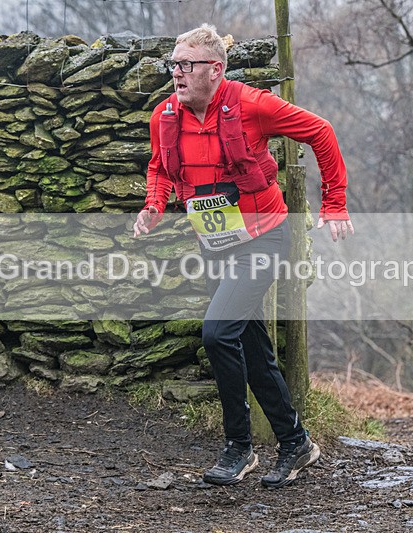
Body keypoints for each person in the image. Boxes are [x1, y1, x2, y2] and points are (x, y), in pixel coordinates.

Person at [133, 24, 353, 488]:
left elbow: (321, 131)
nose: (177, 72)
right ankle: (296, 444)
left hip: (263, 238)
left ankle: (239, 447)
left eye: (187, 65)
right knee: (252, 348)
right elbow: (159, 168)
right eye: (174, 63)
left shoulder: (251, 105)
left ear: (215, 70)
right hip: (215, 244)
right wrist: (154, 205)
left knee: (216, 334)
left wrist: (334, 203)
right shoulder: (163, 116)